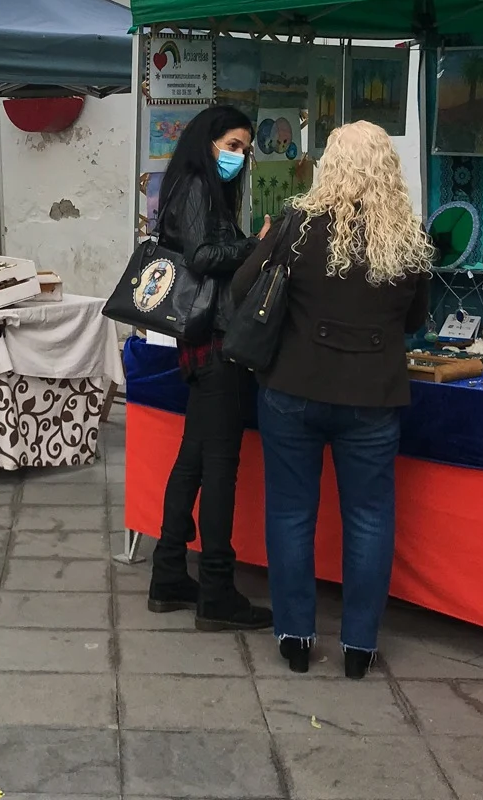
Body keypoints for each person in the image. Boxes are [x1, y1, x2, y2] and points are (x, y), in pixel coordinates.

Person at [232, 121, 432, 678]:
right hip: (372, 396)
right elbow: (415, 321)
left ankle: (295, 637)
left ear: (330, 166)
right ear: (387, 168)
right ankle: (359, 647)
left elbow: (243, 286)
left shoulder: (297, 225)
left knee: (291, 512)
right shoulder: (408, 234)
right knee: (369, 518)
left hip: (293, 388)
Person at [148, 104, 273, 631]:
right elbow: (202, 255)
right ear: (209, 142)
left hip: (200, 345)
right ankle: (217, 590)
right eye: (235, 146)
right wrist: (258, 245)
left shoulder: (187, 185)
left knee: (195, 460)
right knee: (220, 468)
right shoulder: (199, 185)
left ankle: (169, 573)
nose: (240, 158)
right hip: (217, 345)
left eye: (245, 149)